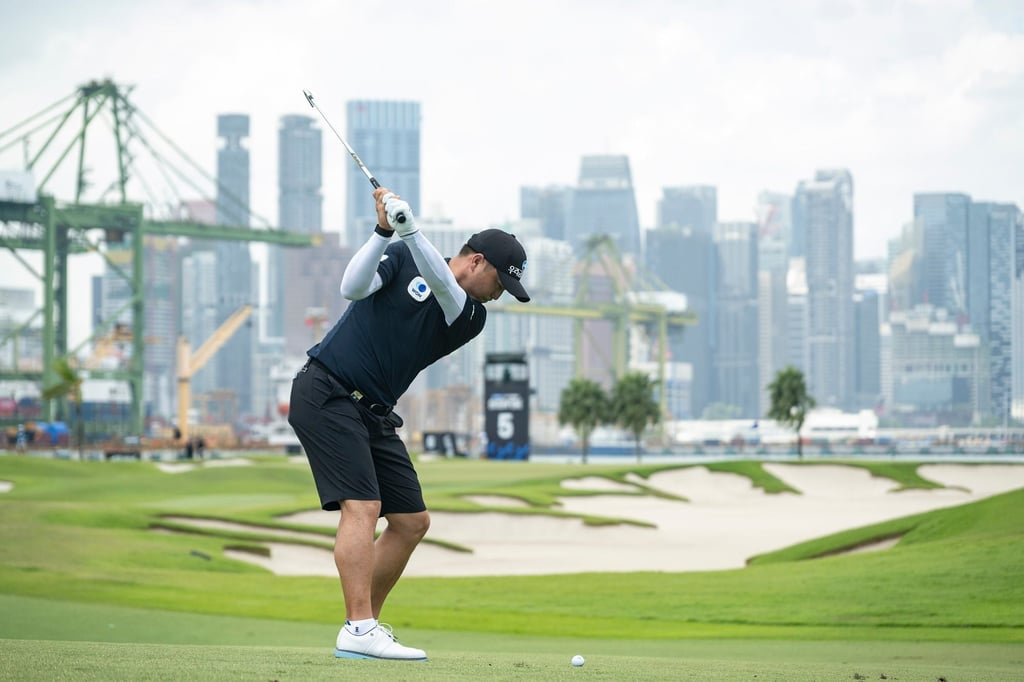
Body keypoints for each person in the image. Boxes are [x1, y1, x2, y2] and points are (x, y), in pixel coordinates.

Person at [288, 187, 529, 661]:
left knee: (412, 521)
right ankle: (360, 628)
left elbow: (443, 284)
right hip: (326, 391)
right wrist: (384, 232)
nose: (501, 295)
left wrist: (410, 230)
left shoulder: (471, 315)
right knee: (363, 506)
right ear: (477, 262)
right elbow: (351, 288)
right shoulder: (399, 253)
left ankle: (363, 628)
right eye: (501, 282)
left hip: (374, 412)